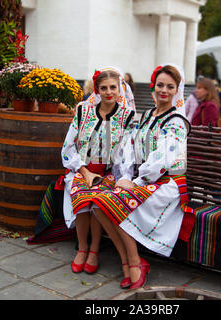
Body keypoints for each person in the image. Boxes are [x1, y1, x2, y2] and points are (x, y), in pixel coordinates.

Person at [90, 64, 194, 290]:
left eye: (170, 86)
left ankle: (135, 262)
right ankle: (128, 260)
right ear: (153, 87)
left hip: (167, 183)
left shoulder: (177, 121)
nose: (163, 90)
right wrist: (125, 175)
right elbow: (130, 147)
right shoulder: (147, 115)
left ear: (177, 90)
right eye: (160, 85)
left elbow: (162, 159)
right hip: (145, 180)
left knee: (115, 202)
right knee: (98, 205)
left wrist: (134, 182)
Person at [28, 67, 136, 276]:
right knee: (81, 194)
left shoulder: (127, 116)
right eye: (103, 88)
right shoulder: (83, 111)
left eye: (113, 87)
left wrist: (124, 177)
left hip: (107, 173)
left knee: (98, 198)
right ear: (96, 89)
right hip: (80, 169)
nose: (108, 92)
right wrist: (84, 172)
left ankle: (94, 250)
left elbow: (126, 152)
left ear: (120, 88)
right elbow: (68, 146)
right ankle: (83, 248)